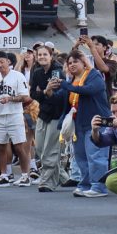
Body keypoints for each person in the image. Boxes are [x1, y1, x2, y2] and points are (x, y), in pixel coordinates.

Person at [54, 49, 111, 197]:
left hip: (96, 122)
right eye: (69, 62)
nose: (72, 65)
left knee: (96, 156)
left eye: (75, 62)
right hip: (78, 123)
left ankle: (99, 186)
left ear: (84, 62)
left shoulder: (94, 75)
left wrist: (66, 86)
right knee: (81, 156)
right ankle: (85, 184)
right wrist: (49, 91)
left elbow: (89, 90)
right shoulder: (72, 81)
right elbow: (61, 99)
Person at [0, 52, 33, 187]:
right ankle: (4, 175)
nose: (0, 65)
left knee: (19, 146)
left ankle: (26, 175)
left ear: (8, 62)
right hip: (0, 116)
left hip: (14, 114)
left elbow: (25, 97)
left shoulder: (17, 76)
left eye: (2, 62)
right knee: (0, 146)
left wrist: (10, 98)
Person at [30, 45, 69, 192]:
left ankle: (47, 182)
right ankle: (64, 177)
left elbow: (58, 98)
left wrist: (45, 93)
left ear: (51, 56)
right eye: (39, 55)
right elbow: (33, 94)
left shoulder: (57, 72)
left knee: (50, 150)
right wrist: (45, 92)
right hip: (43, 113)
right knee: (40, 147)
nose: (42, 57)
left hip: (56, 115)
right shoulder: (37, 72)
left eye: (44, 54)